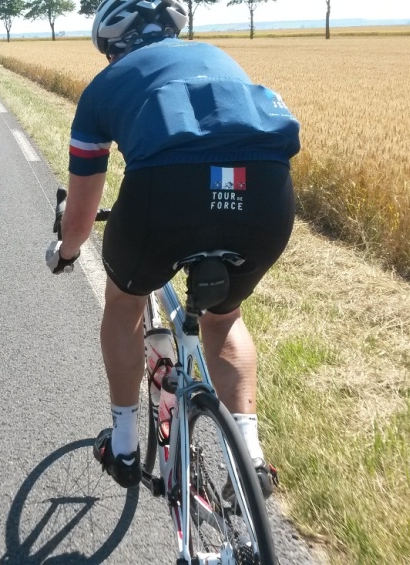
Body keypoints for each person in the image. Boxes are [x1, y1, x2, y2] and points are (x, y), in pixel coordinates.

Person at [46, 0, 300, 495]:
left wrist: (68, 252)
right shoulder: (220, 59)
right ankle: (250, 456)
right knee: (224, 318)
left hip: (165, 197)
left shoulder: (106, 85)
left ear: (112, 45)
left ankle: (122, 445)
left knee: (123, 306)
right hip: (266, 194)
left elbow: (79, 216)